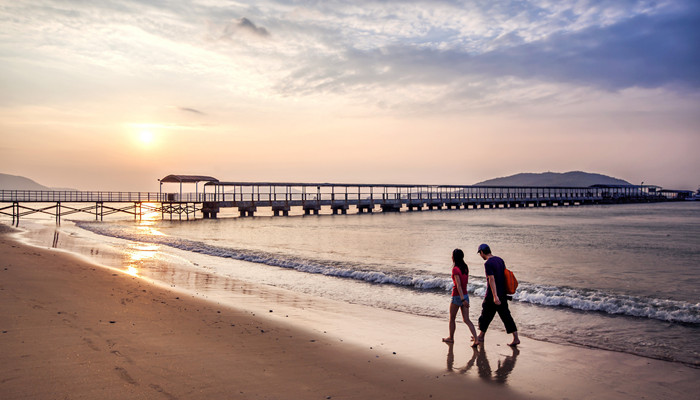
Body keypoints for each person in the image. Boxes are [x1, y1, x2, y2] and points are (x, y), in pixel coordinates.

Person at [476, 244, 520, 347]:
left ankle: (481, 336)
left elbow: (491, 279)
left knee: (485, 316)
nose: (480, 256)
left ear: (482, 252)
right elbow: (504, 276)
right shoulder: (500, 260)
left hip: (493, 295)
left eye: (480, 253)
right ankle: (516, 338)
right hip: (503, 294)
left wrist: (495, 296)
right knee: (506, 316)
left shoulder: (488, 263)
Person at [442, 249, 479, 347]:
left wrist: (462, 299)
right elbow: (464, 283)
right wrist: (464, 299)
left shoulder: (455, 269)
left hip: (457, 296)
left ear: (454, 257)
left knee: (452, 318)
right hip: (466, 295)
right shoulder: (465, 267)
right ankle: (476, 338)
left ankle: (451, 338)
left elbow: (458, 285)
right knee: (467, 319)